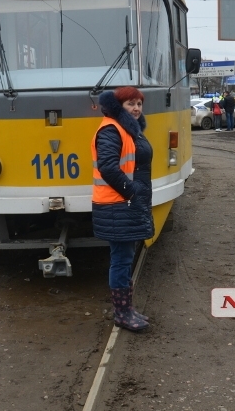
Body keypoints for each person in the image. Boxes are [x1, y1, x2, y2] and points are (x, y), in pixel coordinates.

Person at [92, 86, 153, 331]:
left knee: (125, 258)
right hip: (117, 203)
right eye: (130, 104)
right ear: (120, 107)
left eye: (139, 103)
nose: (136, 108)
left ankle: (127, 309)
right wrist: (131, 191)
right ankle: (122, 313)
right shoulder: (111, 129)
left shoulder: (128, 129)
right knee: (121, 259)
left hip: (124, 203)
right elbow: (107, 166)